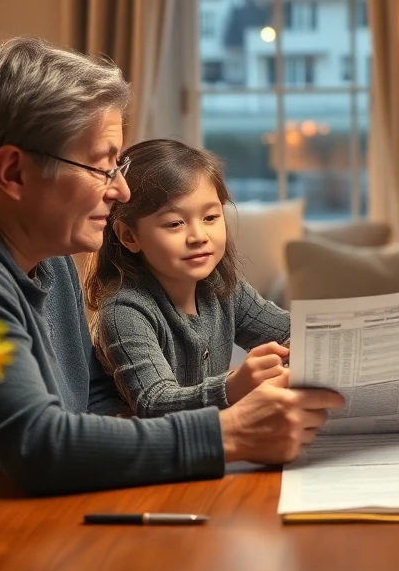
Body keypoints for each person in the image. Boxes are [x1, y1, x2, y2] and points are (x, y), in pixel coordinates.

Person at [0, 37, 341, 495]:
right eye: (102, 168)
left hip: (46, 509)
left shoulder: (47, 256)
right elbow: (38, 445)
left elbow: (93, 396)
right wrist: (232, 432)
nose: (122, 191)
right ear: (14, 172)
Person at [83, 138, 290, 417]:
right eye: (175, 223)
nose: (199, 236)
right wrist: (233, 386)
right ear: (129, 236)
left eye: (210, 217)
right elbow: (154, 402)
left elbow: (290, 332)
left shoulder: (222, 287)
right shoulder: (124, 310)